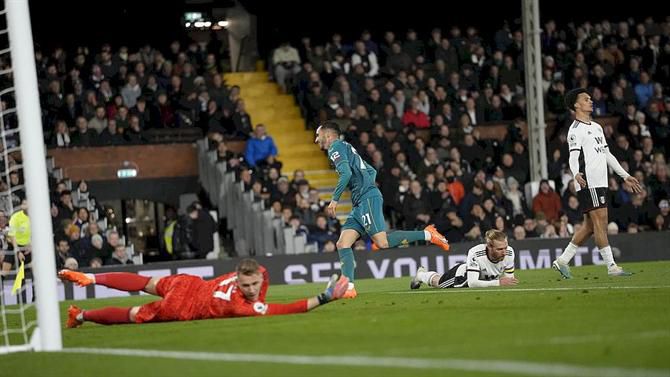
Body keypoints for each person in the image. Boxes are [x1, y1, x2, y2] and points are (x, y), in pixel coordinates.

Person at [315, 121, 450, 298]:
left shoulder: (335, 147)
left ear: (328, 135)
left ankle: (428, 234)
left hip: (366, 199)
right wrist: (365, 187)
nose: (316, 140)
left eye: (318, 135)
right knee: (343, 243)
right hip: (361, 201)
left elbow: (347, 174)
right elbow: (371, 170)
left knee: (382, 242)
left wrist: (335, 200)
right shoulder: (346, 147)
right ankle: (348, 287)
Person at [60, 258, 348, 327]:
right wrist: (325, 297)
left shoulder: (259, 273)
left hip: (188, 283)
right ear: (236, 281)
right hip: (182, 307)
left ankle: (90, 278)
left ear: (261, 277)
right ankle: (81, 314)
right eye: (244, 286)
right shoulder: (241, 306)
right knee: (133, 313)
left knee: (144, 282)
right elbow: (286, 309)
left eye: (253, 285)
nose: (249, 290)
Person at [552, 88, 642, 278]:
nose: (591, 101)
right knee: (601, 222)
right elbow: (573, 157)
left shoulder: (597, 127)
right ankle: (612, 266)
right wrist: (576, 174)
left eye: (591, 98)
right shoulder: (575, 131)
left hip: (601, 182)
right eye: (586, 99)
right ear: (576, 105)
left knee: (590, 227)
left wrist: (625, 175)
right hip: (588, 182)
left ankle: (562, 261)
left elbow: (607, 154)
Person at [410, 229, 517, 289]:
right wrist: (498, 283)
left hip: (485, 279)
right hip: (462, 276)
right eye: (499, 249)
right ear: (489, 246)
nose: (504, 251)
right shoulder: (476, 253)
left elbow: (509, 280)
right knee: (438, 283)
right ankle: (421, 275)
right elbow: (472, 283)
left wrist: (505, 282)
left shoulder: (509, 252)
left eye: (505, 247)